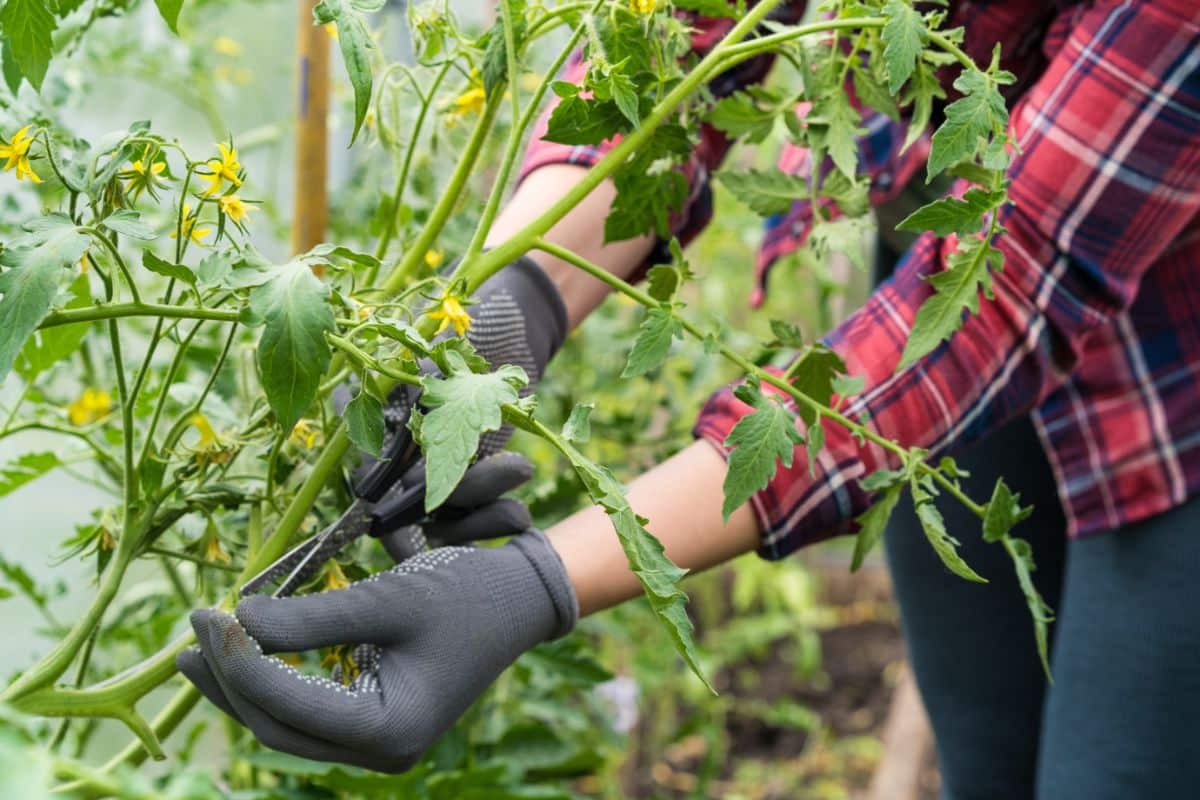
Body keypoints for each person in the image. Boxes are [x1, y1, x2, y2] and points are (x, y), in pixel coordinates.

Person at [179, 0, 1200, 796]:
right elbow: (681, 44)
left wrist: (538, 583)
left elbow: (1002, 279)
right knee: (989, 759)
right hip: (949, 268)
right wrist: (510, 305)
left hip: (1165, 379)